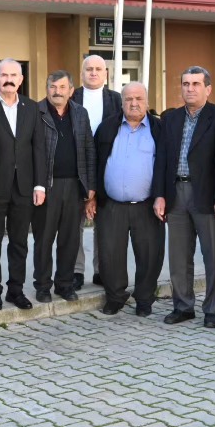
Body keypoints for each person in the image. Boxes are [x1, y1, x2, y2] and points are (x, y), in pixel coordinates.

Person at [155, 66, 215, 327]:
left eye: (196, 84)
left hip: (207, 194)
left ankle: (212, 309)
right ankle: (183, 306)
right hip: (176, 193)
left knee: (213, 256)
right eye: (186, 84)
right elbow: (162, 159)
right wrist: (160, 195)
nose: (190, 88)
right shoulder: (171, 118)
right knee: (178, 256)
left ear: (208, 88)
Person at [92, 82, 164, 316]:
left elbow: (166, 165)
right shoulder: (107, 127)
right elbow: (95, 161)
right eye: (128, 99)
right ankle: (115, 297)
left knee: (149, 255)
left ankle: (144, 299)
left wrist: (162, 196)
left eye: (139, 99)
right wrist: (92, 196)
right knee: (110, 254)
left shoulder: (159, 128)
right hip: (111, 205)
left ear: (147, 101)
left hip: (147, 205)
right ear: (121, 102)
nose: (134, 103)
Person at [0, 59, 47, 311]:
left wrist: (40, 185)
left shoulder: (32, 107)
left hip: (25, 186)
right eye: (4, 75)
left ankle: (15, 290)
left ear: (21, 80)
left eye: (14, 75)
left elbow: (38, 148)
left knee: (19, 242)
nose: (9, 79)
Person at [33, 70, 95, 303]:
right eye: (52, 87)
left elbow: (89, 149)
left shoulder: (80, 113)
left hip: (74, 186)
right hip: (46, 186)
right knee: (44, 239)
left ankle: (65, 284)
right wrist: (36, 185)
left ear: (71, 90)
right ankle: (42, 286)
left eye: (61, 87)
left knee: (70, 239)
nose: (57, 92)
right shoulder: (35, 112)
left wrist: (90, 185)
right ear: (47, 88)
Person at [76, 55, 122, 289]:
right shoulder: (72, 96)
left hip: (107, 167)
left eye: (98, 69)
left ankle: (101, 269)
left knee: (103, 224)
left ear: (106, 73)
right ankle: (75, 271)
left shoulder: (116, 99)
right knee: (74, 224)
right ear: (82, 73)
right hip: (76, 168)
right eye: (89, 69)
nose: (93, 73)